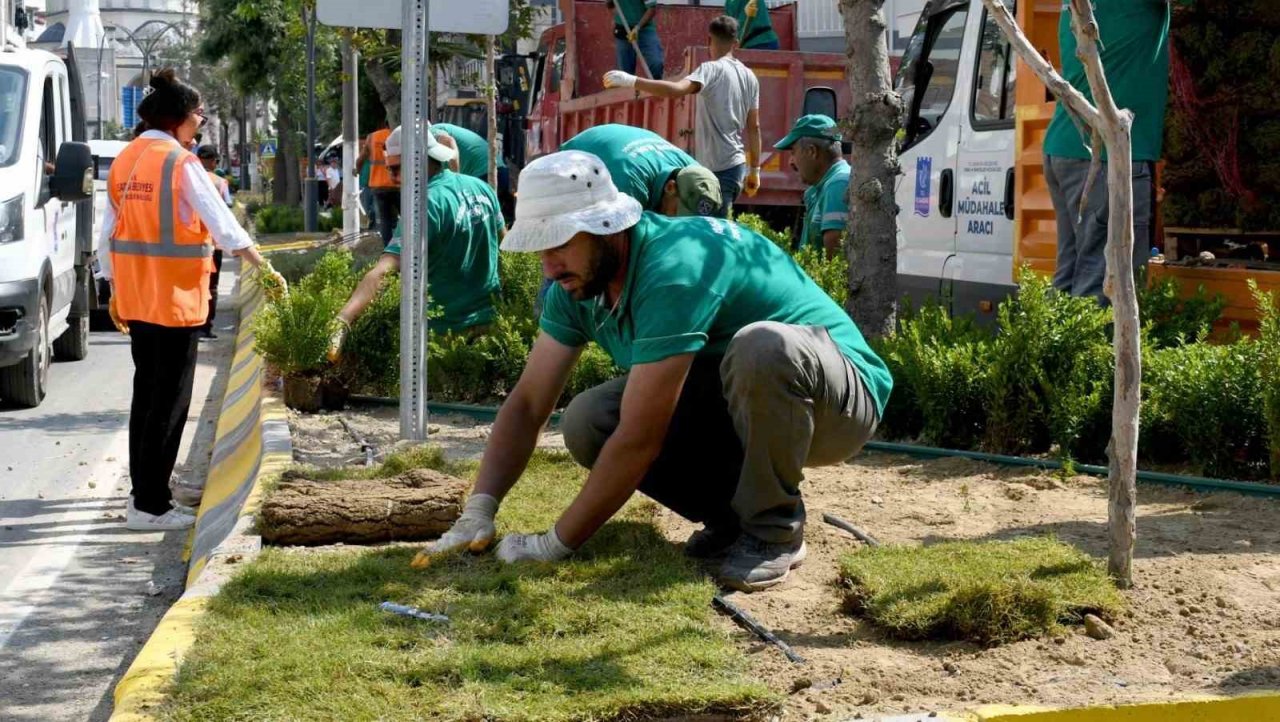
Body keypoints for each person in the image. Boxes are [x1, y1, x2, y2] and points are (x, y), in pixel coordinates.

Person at [421, 151, 893, 592]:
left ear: (607, 228)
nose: (549, 266)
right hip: (742, 399)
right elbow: (527, 404)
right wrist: (478, 510)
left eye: (559, 243)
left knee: (762, 346)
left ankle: (773, 530)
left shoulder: (673, 267)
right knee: (590, 419)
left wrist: (554, 544)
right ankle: (733, 519)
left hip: (837, 401)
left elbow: (641, 436)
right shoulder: (576, 283)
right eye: (539, 249)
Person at [98, 69, 286, 531]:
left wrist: (113, 287)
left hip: (138, 298)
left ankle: (145, 495)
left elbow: (107, 235)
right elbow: (223, 226)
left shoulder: (128, 159)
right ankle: (150, 507)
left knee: (148, 399)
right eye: (199, 113)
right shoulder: (180, 163)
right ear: (182, 118)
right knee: (169, 403)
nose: (201, 121)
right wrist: (264, 267)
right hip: (175, 300)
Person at [327, 131, 503, 358]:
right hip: (492, 324)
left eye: (395, 169)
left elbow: (384, 271)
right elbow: (504, 247)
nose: (392, 177)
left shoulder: (425, 205)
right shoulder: (482, 189)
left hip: (446, 334)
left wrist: (343, 319)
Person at [1042, 0, 1172, 303]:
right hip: (1105, 153)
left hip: (1067, 144)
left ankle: (1052, 350)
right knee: (1103, 281)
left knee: (1071, 276)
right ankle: (1093, 352)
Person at [605, 15, 761, 216]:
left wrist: (632, 80)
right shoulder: (750, 77)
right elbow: (754, 126)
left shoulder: (710, 69)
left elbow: (676, 90)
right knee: (712, 230)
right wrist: (755, 171)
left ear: (708, 41)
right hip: (735, 167)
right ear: (736, 43)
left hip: (718, 170)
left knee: (710, 233)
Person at [560, 124, 721, 217]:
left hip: (623, 149)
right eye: (678, 214)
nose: (679, 224)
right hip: (573, 162)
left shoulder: (697, 175)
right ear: (670, 187)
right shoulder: (629, 184)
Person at [774, 115, 849, 259]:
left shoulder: (837, 186)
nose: (791, 161)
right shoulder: (822, 187)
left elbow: (834, 264)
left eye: (793, 152)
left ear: (811, 151)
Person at [195, 145, 233, 340]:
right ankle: (206, 327)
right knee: (211, 287)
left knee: (193, 285)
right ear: (212, 161)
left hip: (188, 243)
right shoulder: (220, 183)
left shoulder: (185, 178)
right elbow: (226, 213)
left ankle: (192, 324)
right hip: (212, 244)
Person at [357, 118, 399, 246]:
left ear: (383, 124)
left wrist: (357, 171)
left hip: (379, 186)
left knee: (385, 219)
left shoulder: (372, 137)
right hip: (397, 184)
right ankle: (405, 244)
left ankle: (388, 247)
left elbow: (361, 159)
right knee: (406, 216)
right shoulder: (400, 135)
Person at [606, 0, 664, 80]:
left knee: (656, 64)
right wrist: (618, 16)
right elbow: (609, 4)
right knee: (625, 73)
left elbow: (652, 9)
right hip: (623, 30)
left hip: (645, 29)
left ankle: (656, 88)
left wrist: (637, 28)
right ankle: (631, 91)